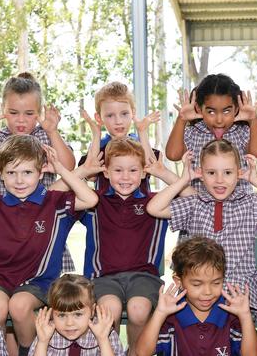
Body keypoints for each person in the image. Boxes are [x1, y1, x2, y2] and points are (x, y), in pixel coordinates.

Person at [0, 135, 99, 356]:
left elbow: (90, 200)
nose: (19, 181)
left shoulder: (55, 203)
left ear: (40, 172)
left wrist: (62, 169)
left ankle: (27, 352)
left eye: (27, 172)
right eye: (11, 173)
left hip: (40, 281)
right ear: (1, 173)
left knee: (18, 305)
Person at [147, 139, 257, 315]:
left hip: (239, 291)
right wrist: (183, 180)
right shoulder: (194, 203)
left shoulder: (250, 203)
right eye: (211, 173)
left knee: (219, 316)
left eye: (228, 172)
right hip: (199, 289)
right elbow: (154, 208)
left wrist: (255, 180)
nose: (220, 180)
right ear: (201, 174)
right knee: (183, 318)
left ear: (238, 173)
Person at [78, 134, 185, 349]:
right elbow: (52, 195)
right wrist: (83, 171)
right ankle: (110, 352)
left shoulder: (156, 202)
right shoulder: (93, 201)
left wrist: (162, 172)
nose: (125, 177)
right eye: (118, 170)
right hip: (102, 277)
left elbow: (194, 198)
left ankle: (137, 352)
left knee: (138, 310)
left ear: (144, 172)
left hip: (145, 276)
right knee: (110, 310)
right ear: (105, 172)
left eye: (133, 170)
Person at [0, 72, 76, 273]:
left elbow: (68, 167)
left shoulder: (46, 136)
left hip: (42, 226)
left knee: (45, 294)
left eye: (29, 113)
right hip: (3, 227)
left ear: (39, 112)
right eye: (13, 113)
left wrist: (52, 131)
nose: (21, 120)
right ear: (3, 110)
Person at [134, 237, 257, 356]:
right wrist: (160, 313)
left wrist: (245, 316)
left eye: (216, 283)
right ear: (179, 282)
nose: (207, 292)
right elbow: (142, 352)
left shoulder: (230, 313)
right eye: (197, 284)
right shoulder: (171, 316)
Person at [166, 74, 257, 191]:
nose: (219, 120)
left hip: (240, 206)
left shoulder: (241, 131)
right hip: (201, 205)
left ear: (236, 109)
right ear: (199, 108)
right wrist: (181, 120)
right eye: (211, 112)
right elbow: (173, 155)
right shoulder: (193, 132)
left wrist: (253, 119)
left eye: (226, 111)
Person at [77, 81, 160, 193]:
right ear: (99, 118)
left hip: (140, 208)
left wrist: (142, 132)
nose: (118, 121)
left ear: (133, 113)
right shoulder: (99, 146)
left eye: (124, 114)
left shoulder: (141, 144)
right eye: (110, 115)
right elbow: (91, 175)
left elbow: (153, 168)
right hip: (106, 209)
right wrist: (96, 136)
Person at [28, 274, 125, 356]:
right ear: (52, 314)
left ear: (92, 311)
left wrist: (103, 339)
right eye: (61, 315)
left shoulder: (105, 332)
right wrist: (43, 342)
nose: (69, 323)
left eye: (78, 314)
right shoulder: (46, 333)